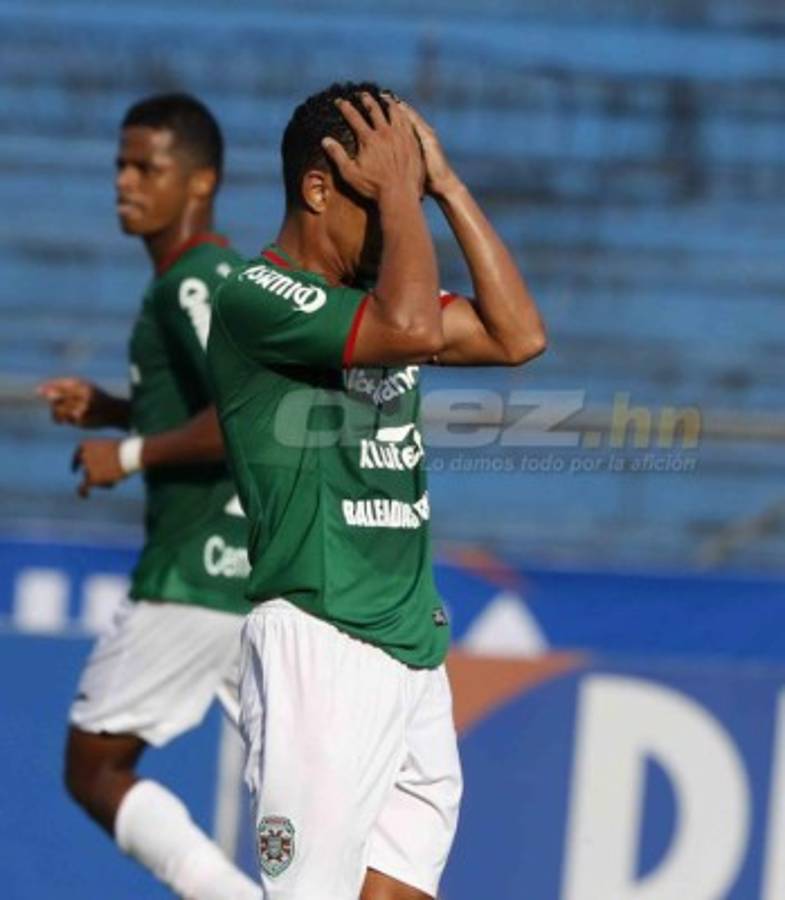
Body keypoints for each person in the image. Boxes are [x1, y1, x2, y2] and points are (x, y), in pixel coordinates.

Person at [206, 81, 546, 900]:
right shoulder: (256, 296)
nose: (400, 222)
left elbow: (517, 336)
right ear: (317, 189)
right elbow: (411, 329)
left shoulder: (377, 298)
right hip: (322, 639)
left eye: (407, 200)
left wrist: (444, 186)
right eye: (381, 197)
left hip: (410, 648)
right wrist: (402, 193)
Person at [38, 93, 261, 900]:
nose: (124, 183)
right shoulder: (218, 279)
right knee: (300, 786)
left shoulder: (192, 283)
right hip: (259, 575)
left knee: (94, 767)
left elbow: (245, 417)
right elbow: (216, 405)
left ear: (200, 182)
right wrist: (114, 409)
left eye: (146, 167)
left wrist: (126, 453)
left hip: (191, 573)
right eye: (120, 166)